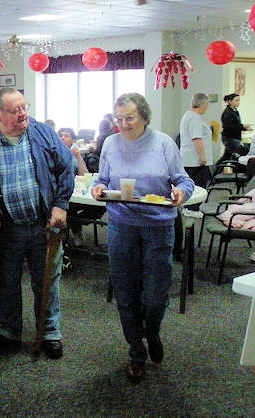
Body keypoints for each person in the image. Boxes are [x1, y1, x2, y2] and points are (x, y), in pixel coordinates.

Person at [0, 88, 73, 360]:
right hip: (7, 228)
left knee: (46, 281)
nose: (23, 114)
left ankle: (49, 333)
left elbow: (65, 168)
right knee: (6, 282)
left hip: (44, 224)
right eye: (15, 110)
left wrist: (60, 205)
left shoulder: (43, 133)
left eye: (24, 107)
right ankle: (9, 332)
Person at [91, 92, 194, 383]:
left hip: (157, 226)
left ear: (144, 116)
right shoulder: (110, 144)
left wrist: (181, 192)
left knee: (156, 295)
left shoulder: (162, 143)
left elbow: (183, 180)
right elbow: (102, 179)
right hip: (121, 225)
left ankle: (152, 331)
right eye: (119, 118)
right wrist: (98, 188)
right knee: (125, 294)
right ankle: (136, 352)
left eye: (130, 118)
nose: (123, 124)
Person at [59, 128, 102, 246]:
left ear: (73, 140)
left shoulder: (75, 156)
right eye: (61, 135)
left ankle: (74, 222)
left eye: (66, 135)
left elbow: (85, 176)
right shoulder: (54, 155)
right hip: (63, 195)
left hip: (78, 192)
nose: (62, 137)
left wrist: (78, 157)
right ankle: (76, 230)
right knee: (69, 206)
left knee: (100, 205)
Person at [180, 93, 213, 190]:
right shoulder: (195, 117)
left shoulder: (188, 115)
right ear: (203, 105)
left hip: (190, 160)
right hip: (195, 161)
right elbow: (197, 138)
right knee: (199, 188)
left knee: (192, 187)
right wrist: (202, 156)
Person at [221, 93, 251, 161]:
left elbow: (236, 125)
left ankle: (217, 167)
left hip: (234, 137)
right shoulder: (228, 112)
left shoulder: (235, 111)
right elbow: (227, 126)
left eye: (239, 100)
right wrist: (243, 126)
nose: (238, 102)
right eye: (236, 100)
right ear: (230, 101)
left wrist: (245, 128)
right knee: (242, 153)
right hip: (230, 138)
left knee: (226, 157)